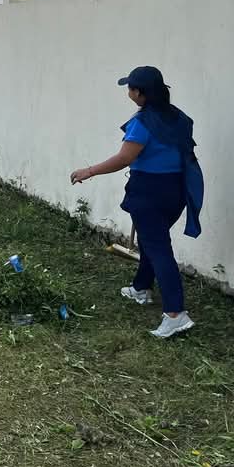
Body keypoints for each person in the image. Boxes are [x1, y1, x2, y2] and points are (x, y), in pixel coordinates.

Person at [70, 66, 204, 339]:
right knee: (151, 240)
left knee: (158, 248)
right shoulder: (178, 117)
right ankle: (141, 288)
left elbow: (124, 158)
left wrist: (89, 171)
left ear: (140, 93)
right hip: (176, 190)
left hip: (149, 192)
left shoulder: (143, 123)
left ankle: (176, 314)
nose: (128, 92)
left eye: (130, 88)